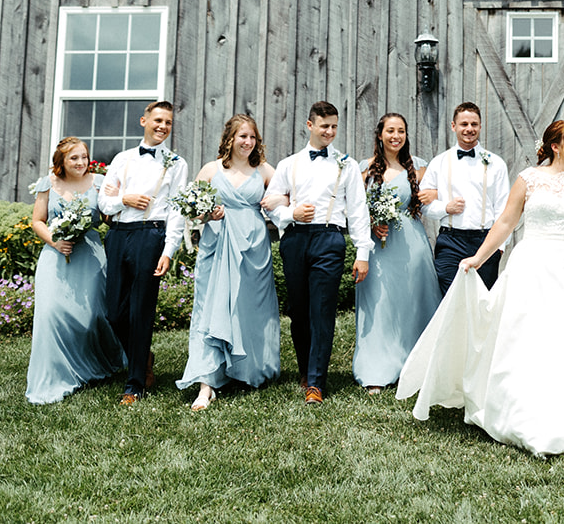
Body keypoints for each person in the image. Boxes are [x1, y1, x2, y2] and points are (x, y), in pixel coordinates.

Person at [398, 120, 564, 458]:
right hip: (533, 267)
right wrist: (479, 258)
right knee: (532, 342)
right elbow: (507, 221)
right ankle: (530, 418)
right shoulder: (529, 179)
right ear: (555, 145)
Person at [262, 100, 371, 403]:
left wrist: (362, 253)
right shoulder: (288, 164)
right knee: (298, 311)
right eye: (324, 126)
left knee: (322, 310)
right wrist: (291, 214)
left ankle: (316, 382)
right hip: (295, 239)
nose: (330, 132)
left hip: (330, 239)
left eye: (334, 126)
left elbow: (359, 211)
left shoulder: (346, 164)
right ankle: (305, 370)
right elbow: (270, 204)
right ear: (310, 126)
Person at [176, 114, 281, 410]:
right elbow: (191, 208)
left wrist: (276, 203)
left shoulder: (263, 170)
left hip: (254, 249)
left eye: (252, 137)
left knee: (250, 310)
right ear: (230, 139)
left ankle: (249, 371)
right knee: (213, 307)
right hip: (218, 244)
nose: (247, 142)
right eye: (242, 136)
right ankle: (206, 383)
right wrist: (207, 213)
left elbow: (285, 196)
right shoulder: (211, 169)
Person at [98, 100, 189, 404]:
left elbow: (177, 211)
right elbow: (104, 203)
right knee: (113, 312)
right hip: (118, 235)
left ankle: (134, 383)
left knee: (140, 311)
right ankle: (143, 356)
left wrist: (169, 250)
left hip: (151, 235)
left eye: (168, 123)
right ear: (143, 121)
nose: (163, 126)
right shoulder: (122, 159)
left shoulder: (176, 163)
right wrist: (126, 197)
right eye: (158, 120)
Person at [25, 137, 124, 403]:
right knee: (50, 314)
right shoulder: (48, 184)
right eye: (74, 158)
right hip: (55, 255)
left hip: (90, 255)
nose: (81, 163)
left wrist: (116, 204)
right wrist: (55, 241)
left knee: (92, 316)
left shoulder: (99, 182)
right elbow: (37, 221)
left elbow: (108, 217)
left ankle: (93, 366)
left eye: (84, 157)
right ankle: (53, 376)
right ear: (62, 161)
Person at [354, 112, 442, 392]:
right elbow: (353, 208)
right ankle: (377, 368)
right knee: (380, 305)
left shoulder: (419, 167)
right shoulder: (364, 168)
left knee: (412, 302)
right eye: (390, 131)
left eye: (401, 131)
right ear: (380, 134)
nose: (396, 136)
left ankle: (415, 366)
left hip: (411, 243)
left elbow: (430, 200)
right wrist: (371, 222)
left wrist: (435, 196)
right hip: (379, 248)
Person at [417, 103, 509, 294]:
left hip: (485, 241)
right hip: (450, 242)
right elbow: (424, 205)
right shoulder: (439, 162)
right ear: (453, 126)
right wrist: (445, 208)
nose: (469, 129)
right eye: (464, 124)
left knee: (482, 302)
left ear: (480, 127)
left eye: (474, 124)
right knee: (450, 300)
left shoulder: (496, 163)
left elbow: (503, 208)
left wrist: (499, 246)